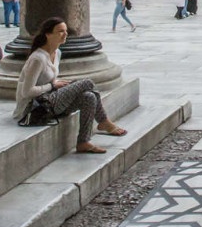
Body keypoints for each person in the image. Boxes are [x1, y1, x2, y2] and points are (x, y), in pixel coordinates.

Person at [14, 17, 126, 154]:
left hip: (50, 101)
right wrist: (52, 86)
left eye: (66, 31)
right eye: (60, 31)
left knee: (89, 97)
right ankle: (103, 121)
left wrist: (60, 85)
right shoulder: (38, 58)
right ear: (48, 34)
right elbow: (27, 92)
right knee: (88, 83)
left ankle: (83, 142)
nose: (65, 34)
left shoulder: (57, 53)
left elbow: (51, 81)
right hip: (34, 109)